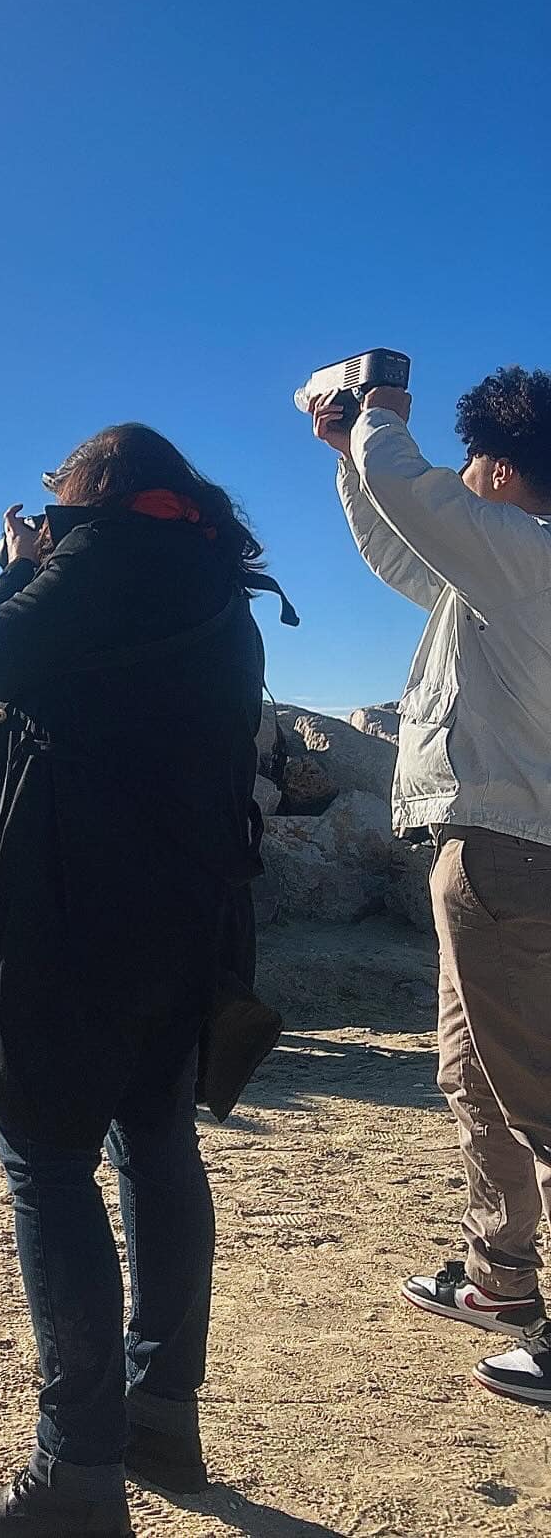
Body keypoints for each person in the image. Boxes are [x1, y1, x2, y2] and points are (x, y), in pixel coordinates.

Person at [0, 426, 274, 1538]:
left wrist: (18, 562)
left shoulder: (95, 557)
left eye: (62, 493)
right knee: (158, 1145)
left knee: (46, 1159)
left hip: (76, 914)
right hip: (191, 918)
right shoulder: (224, 581)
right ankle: (163, 1409)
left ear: (99, 488)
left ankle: (77, 1468)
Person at [311, 366, 551, 1408]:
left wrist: (383, 409)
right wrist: (348, 461)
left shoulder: (527, 553)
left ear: (499, 470)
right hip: (491, 851)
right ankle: (501, 1276)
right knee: (479, 1078)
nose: (459, 480)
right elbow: (402, 543)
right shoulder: (500, 568)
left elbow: (413, 493)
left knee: (540, 1099)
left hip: (514, 855)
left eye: (471, 467)